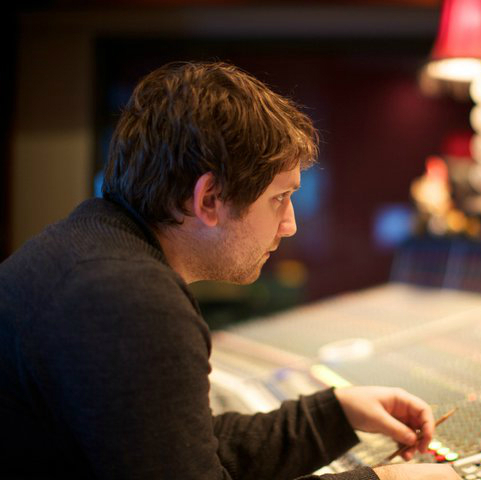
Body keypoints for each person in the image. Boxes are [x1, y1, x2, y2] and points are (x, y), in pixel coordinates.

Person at [0, 61, 459, 480]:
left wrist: (335, 413)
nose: (290, 224)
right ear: (209, 200)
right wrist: (385, 480)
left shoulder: (94, 250)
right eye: (280, 197)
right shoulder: (131, 301)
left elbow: (180, 446)